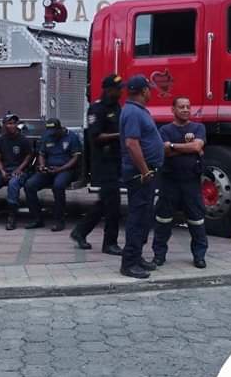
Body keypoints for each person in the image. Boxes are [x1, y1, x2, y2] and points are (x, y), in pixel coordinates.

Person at [151, 97, 209, 269]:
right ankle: (159, 255)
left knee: (197, 221)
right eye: (181, 107)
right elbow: (163, 151)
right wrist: (185, 146)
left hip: (191, 182)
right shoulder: (164, 130)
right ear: (173, 110)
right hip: (169, 182)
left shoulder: (199, 127)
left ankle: (199, 256)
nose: (185, 109)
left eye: (188, 107)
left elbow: (197, 147)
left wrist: (174, 147)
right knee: (163, 220)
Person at [70, 74, 124, 255]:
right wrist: (120, 135)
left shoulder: (117, 107)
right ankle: (110, 243)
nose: (120, 92)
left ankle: (80, 231)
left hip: (116, 161)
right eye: (117, 89)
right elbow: (96, 136)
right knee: (113, 204)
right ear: (108, 90)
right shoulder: (96, 109)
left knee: (105, 202)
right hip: (103, 163)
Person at [119, 75, 164, 279]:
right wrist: (145, 170)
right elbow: (131, 143)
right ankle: (129, 263)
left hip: (145, 172)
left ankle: (136, 257)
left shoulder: (136, 111)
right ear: (143, 91)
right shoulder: (133, 112)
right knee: (137, 218)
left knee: (144, 217)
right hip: (140, 174)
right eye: (149, 89)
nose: (151, 92)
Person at [24, 118, 82, 231]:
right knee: (29, 185)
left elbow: (75, 158)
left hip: (66, 169)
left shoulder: (72, 137)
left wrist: (60, 169)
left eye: (54, 131)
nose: (52, 133)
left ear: (59, 128)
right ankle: (37, 219)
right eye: (50, 131)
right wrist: (41, 166)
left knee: (58, 186)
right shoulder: (47, 136)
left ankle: (59, 221)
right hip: (49, 169)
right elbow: (41, 154)